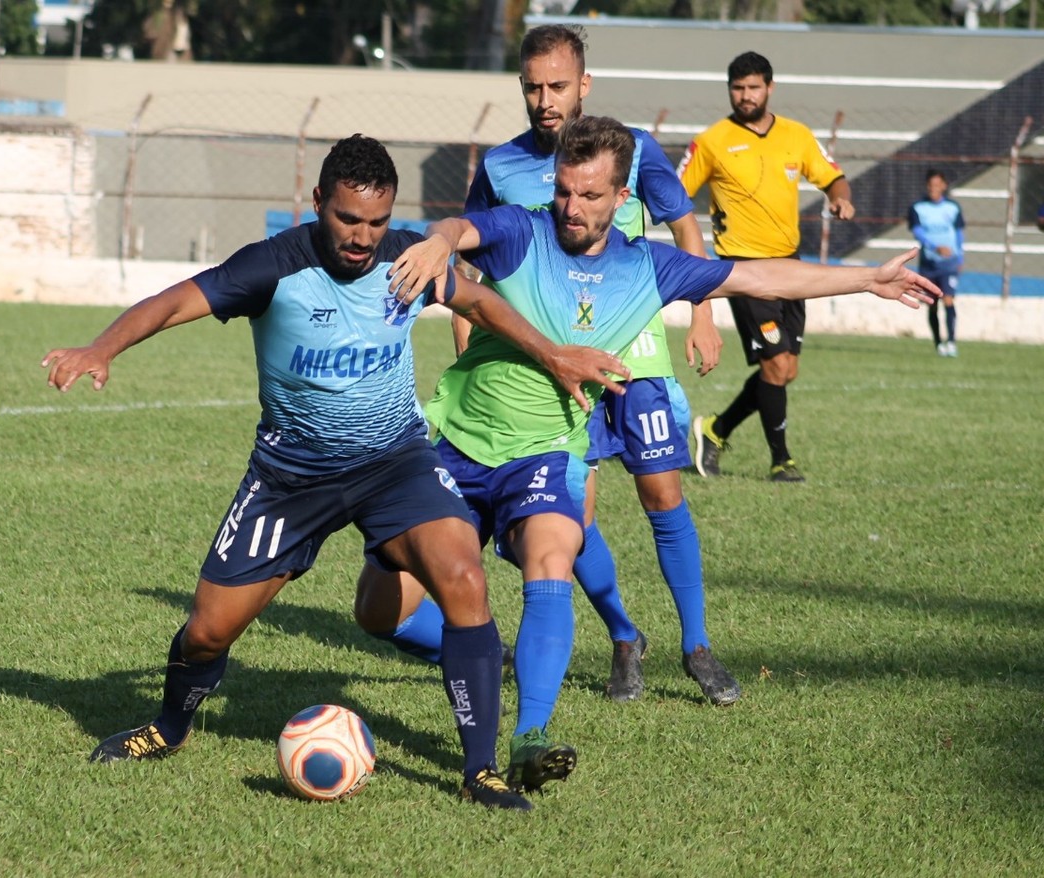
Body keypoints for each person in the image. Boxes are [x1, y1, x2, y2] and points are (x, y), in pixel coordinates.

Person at [40, 134, 629, 812]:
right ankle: (168, 729)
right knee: (206, 630)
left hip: (395, 463)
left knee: (464, 577)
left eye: (376, 223)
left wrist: (553, 355)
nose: (362, 237)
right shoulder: (275, 265)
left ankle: (480, 770)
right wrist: (101, 347)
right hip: (292, 477)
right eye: (349, 219)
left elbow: (478, 303)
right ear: (319, 202)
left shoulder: (407, 258)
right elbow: (175, 301)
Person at [362, 116, 939, 794]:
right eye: (564, 192)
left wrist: (866, 278)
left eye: (589, 196)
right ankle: (487, 652)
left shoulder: (647, 267)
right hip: (460, 442)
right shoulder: (523, 231)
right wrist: (435, 242)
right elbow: (463, 231)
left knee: (552, 556)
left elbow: (761, 276)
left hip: (548, 453)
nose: (571, 209)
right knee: (378, 608)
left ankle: (530, 736)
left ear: (621, 196)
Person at [360, 22, 742, 711]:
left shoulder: (631, 149)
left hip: (634, 347)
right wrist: (471, 343)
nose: (544, 99)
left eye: (557, 86)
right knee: (569, 519)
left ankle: (698, 646)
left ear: (582, 84)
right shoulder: (501, 168)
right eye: (532, 87)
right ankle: (624, 635)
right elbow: (472, 263)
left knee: (661, 493)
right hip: (543, 366)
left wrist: (706, 315)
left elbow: (686, 228)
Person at [680, 51, 855, 483]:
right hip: (744, 269)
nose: (745, 96)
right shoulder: (712, 141)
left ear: (770, 88)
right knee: (776, 366)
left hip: (791, 268)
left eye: (753, 87)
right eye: (737, 88)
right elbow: (675, 192)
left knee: (786, 370)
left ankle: (715, 430)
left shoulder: (797, 135)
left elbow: (832, 175)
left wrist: (839, 196)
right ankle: (781, 460)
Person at [908, 169, 964, 357]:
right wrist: (934, 246)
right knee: (932, 303)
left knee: (948, 300)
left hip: (948, 263)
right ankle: (938, 343)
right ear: (927, 186)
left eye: (937, 185)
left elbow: (958, 234)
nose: (934, 188)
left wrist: (960, 256)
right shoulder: (918, 208)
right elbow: (917, 232)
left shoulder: (953, 208)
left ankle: (952, 342)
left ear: (944, 186)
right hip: (928, 264)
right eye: (931, 185)